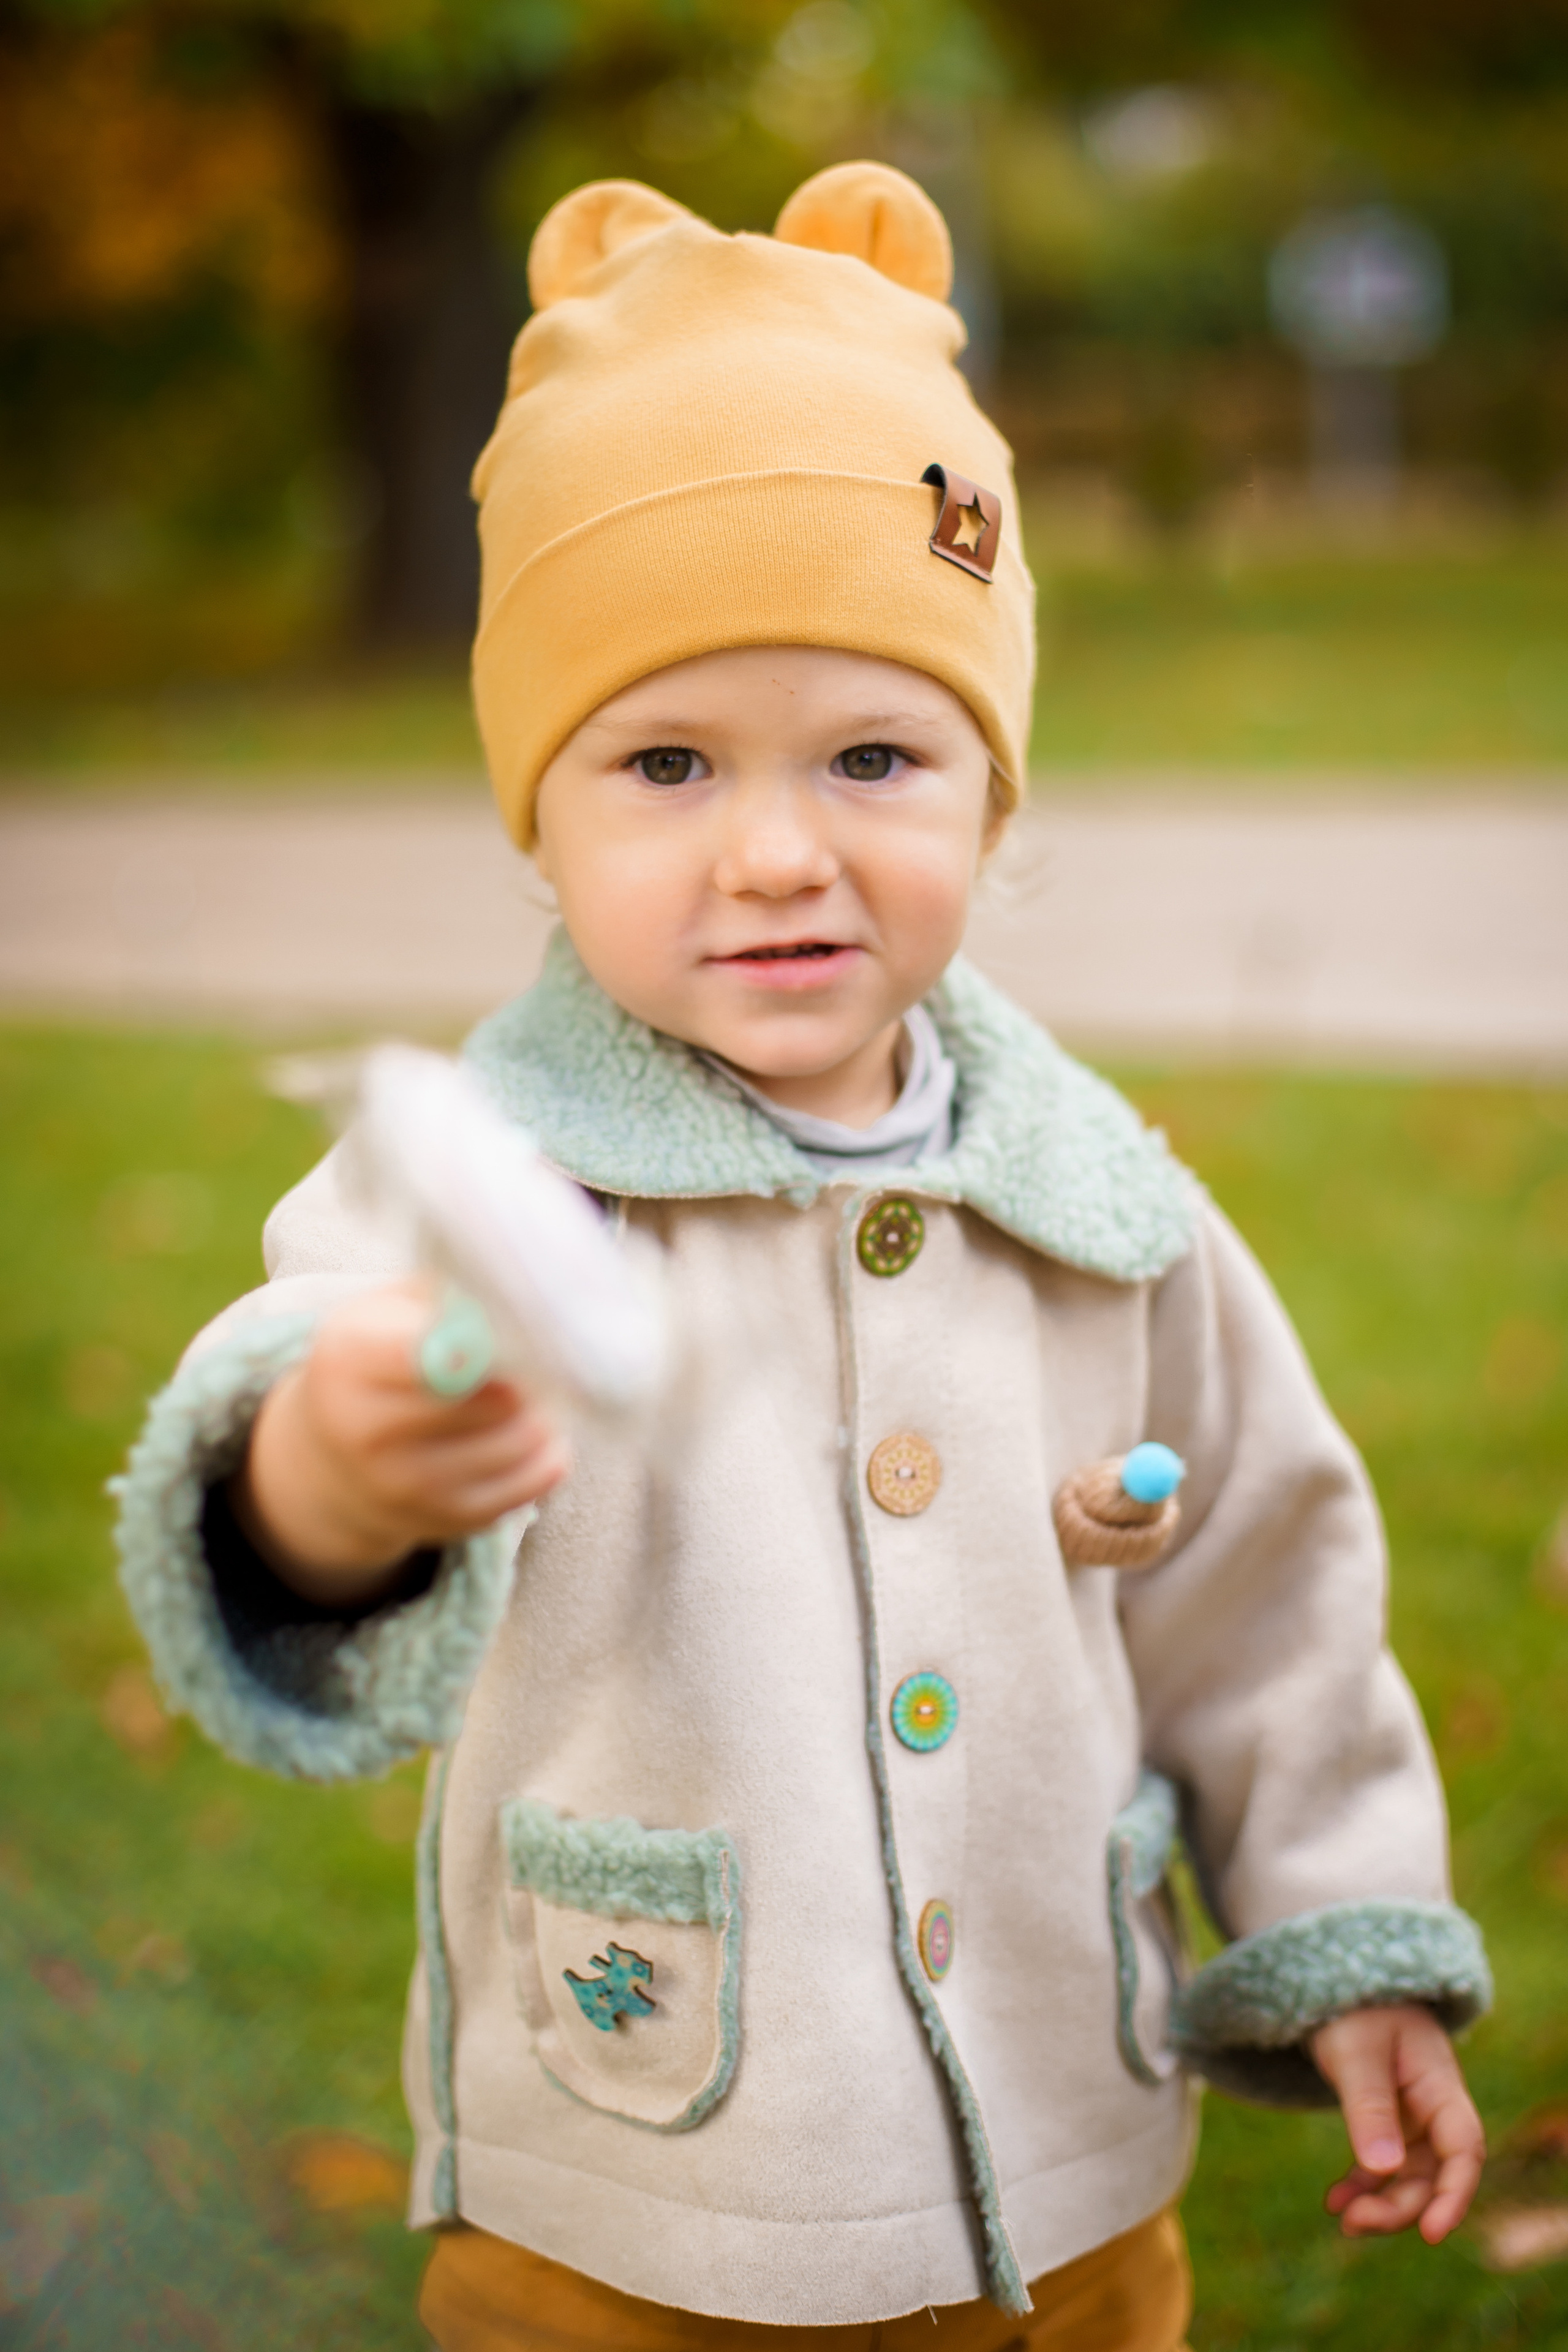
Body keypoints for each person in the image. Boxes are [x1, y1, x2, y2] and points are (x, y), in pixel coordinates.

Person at [115, 164, 1490, 2352]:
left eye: (875, 754)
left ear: (991, 796)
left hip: (1066, 2185)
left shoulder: (1099, 1203)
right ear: (538, 816)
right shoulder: (496, 1185)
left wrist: (1352, 1937)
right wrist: (341, 1482)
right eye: (665, 761)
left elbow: (1266, 1593)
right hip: (645, 2188)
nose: (778, 850)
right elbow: (294, 1406)